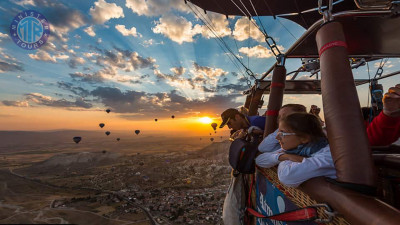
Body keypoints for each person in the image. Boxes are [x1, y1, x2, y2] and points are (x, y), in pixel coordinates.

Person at [255, 113, 336, 187]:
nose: (277, 137)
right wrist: (285, 157)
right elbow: (259, 160)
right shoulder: (297, 149)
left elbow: (286, 176)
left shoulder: (327, 155)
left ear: (304, 138)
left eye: (282, 133)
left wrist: (288, 159)